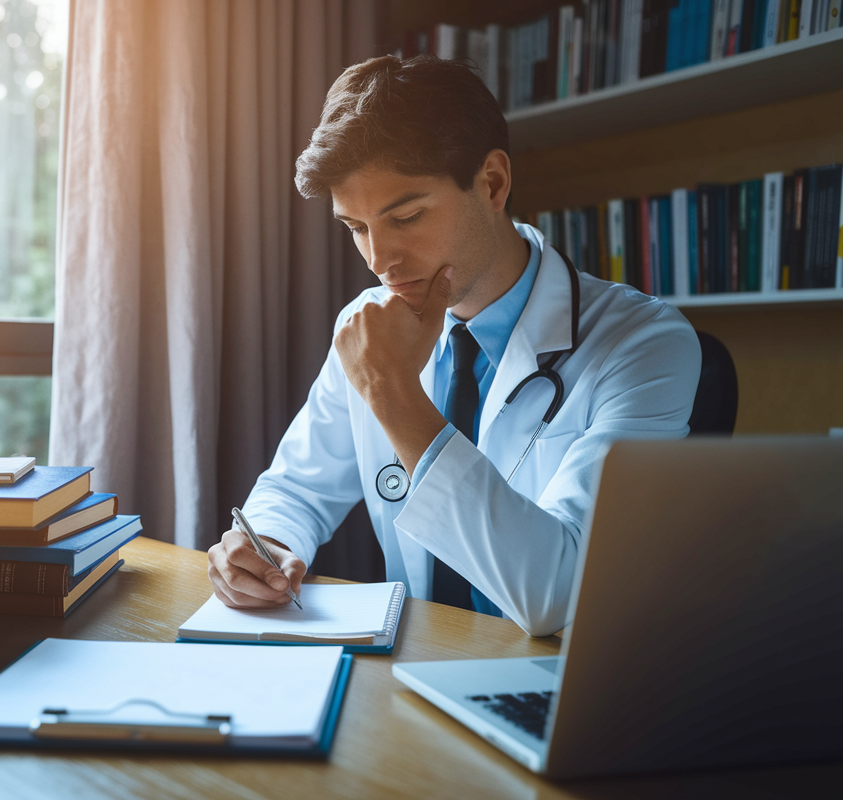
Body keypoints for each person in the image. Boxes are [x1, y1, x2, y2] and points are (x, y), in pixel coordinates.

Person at [206, 55, 701, 637]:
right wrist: (263, 545)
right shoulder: (365, 326)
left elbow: (555, 595)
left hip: (559, 685)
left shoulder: (645, 344)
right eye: (357, 228)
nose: (378, 261)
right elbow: (297, 488)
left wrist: (393, 394)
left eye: (407, 216)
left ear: (492, 183)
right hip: (415, 668)